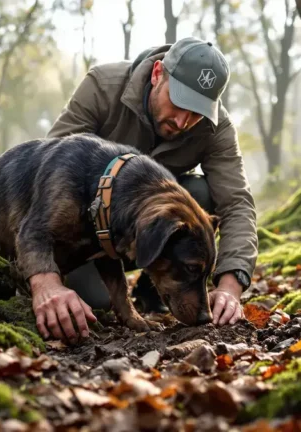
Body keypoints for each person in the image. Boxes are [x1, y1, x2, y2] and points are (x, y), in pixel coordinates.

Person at [41, 36, 257, 331]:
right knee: (96, 303)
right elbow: (48, 166)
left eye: (196, 112)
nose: (183, 121)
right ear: (157, 74)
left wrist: (231, 285)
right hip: (84, 237)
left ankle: (151, 289)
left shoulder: (215, 128)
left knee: (198, 195)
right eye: (179, 102)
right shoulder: (103, 87)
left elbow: (236, 204)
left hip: (159, 239)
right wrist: (46, 278)